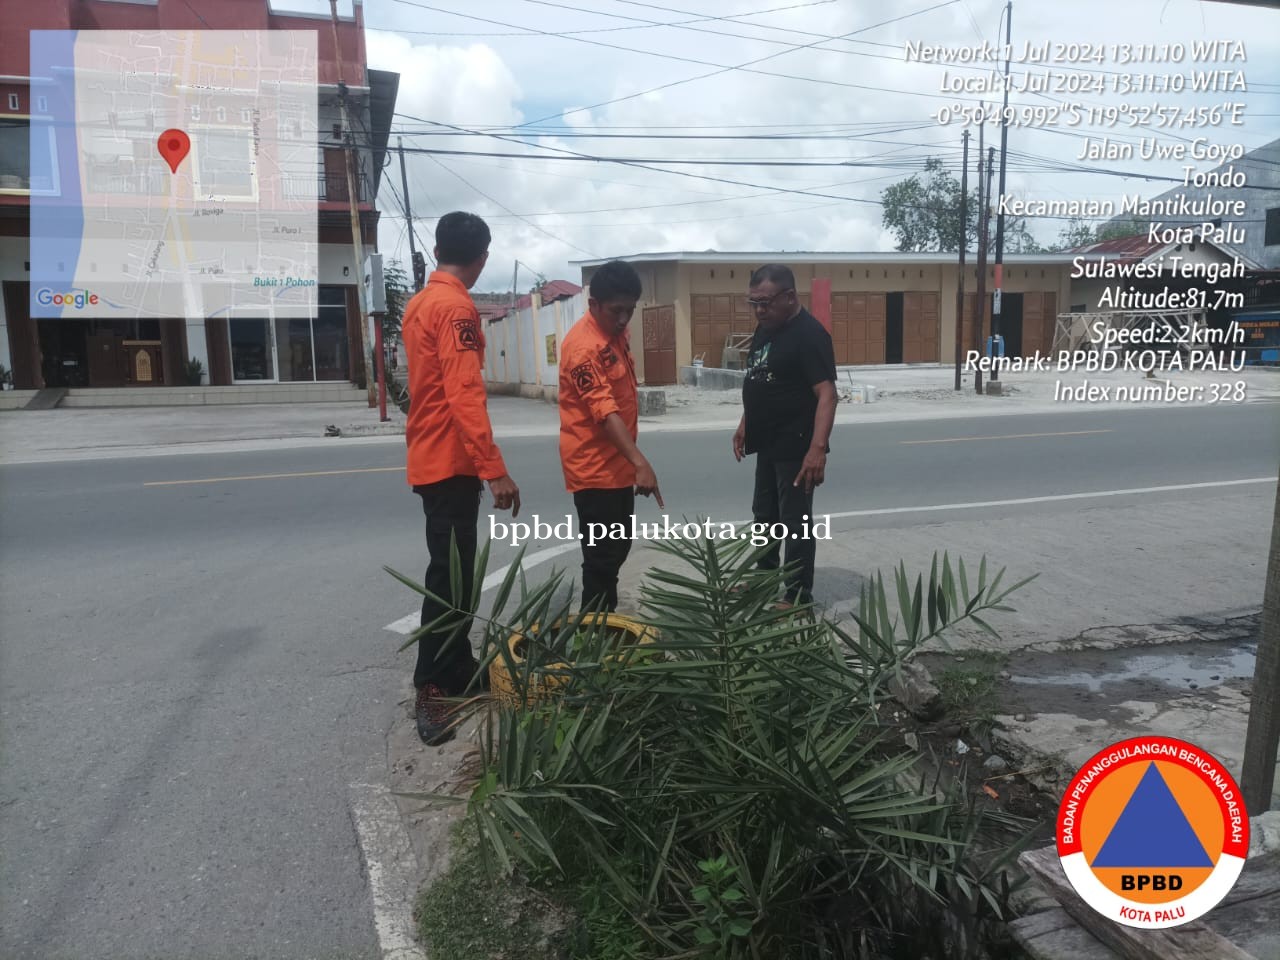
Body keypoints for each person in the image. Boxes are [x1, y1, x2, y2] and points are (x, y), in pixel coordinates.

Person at [402, 211, 520, 745]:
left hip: (433, 455)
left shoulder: (421, 302)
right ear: (483, 258)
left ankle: (457, 667)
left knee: (457, 575)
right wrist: (494, 470)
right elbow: (464, 393)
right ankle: (431, 687)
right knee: (449, 579)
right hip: (451, 460)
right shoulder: (455, 307)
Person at [559, 260, 663, 612]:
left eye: (630, 310)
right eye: (616, 310)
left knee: (616, 549)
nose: (623, 319)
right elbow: (604, 411)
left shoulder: (616, 335)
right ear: (594, 305)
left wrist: (631, 463)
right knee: (602, 560)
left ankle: (603, 627)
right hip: (594, 470)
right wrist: (641, 462)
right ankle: (594, 639)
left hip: (617, 465)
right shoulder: (583, 348)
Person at [732, 264, 837, 608]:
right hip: (766, 441)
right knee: (764, 516)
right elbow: (763, 378)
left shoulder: (810, 335)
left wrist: (817, 449)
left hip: (796, 445)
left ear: (790, 297)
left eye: (766, 302)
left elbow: (827, 394)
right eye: (754, 303)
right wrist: (746, 422)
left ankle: (796, 595)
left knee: (795, 523)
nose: (760, 310)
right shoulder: (766, 329)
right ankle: (764, 580)